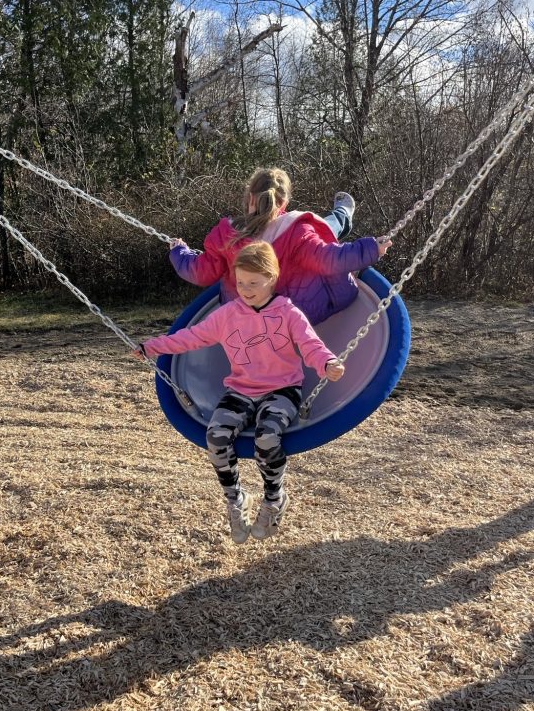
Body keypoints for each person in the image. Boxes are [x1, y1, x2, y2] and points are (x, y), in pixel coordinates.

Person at [135, 242, 345, 543]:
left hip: (282, 390)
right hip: (242, 390)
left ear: (271, 278)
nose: (245, 289)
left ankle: (274, 500)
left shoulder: (287, 312)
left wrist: (327, 363)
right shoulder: (228, 314)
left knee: (267, 438)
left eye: (253, 283)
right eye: (241, 282)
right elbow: (191, 338)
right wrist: (152, 347)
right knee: (216, 436)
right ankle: (236, 499)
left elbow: (310, 344)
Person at [169, 167, 392, 325]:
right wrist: (371, 249)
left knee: (323, 229)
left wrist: (179, 252)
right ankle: (343, 212)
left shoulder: (228, 236)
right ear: (284, 203)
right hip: (299, 314)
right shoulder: (296, 231)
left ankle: (343, 213)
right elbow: (329, 259)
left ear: (250, 198)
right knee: (328, 228)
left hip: (245, 316)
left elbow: (199, 272)